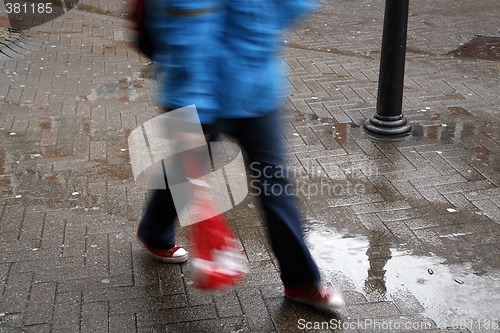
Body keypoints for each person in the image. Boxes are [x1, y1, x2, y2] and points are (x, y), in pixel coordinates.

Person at [135, 0, 345, 311]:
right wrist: (196, 113)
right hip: (193, 90)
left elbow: (291, 9)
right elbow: (185, 33)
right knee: (186, 170)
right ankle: (154, 231)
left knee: (275, 183)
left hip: (256, 85)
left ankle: (302, 280)